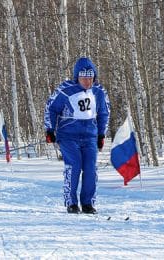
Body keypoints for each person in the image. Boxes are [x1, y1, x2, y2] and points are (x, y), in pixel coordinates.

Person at [44, 57, 110, 214]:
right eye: (83, 78)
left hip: (90, 137)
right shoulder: (65, 90)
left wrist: (101, 135)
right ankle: (71, 202)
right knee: (74, 165)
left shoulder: (99, 91)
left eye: (90, 78)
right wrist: (50, 129)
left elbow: (104, 113)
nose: (87, 82)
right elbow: (51, 108)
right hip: (68, 136)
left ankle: (88, 203)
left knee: (90, 168)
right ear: (77, 77)